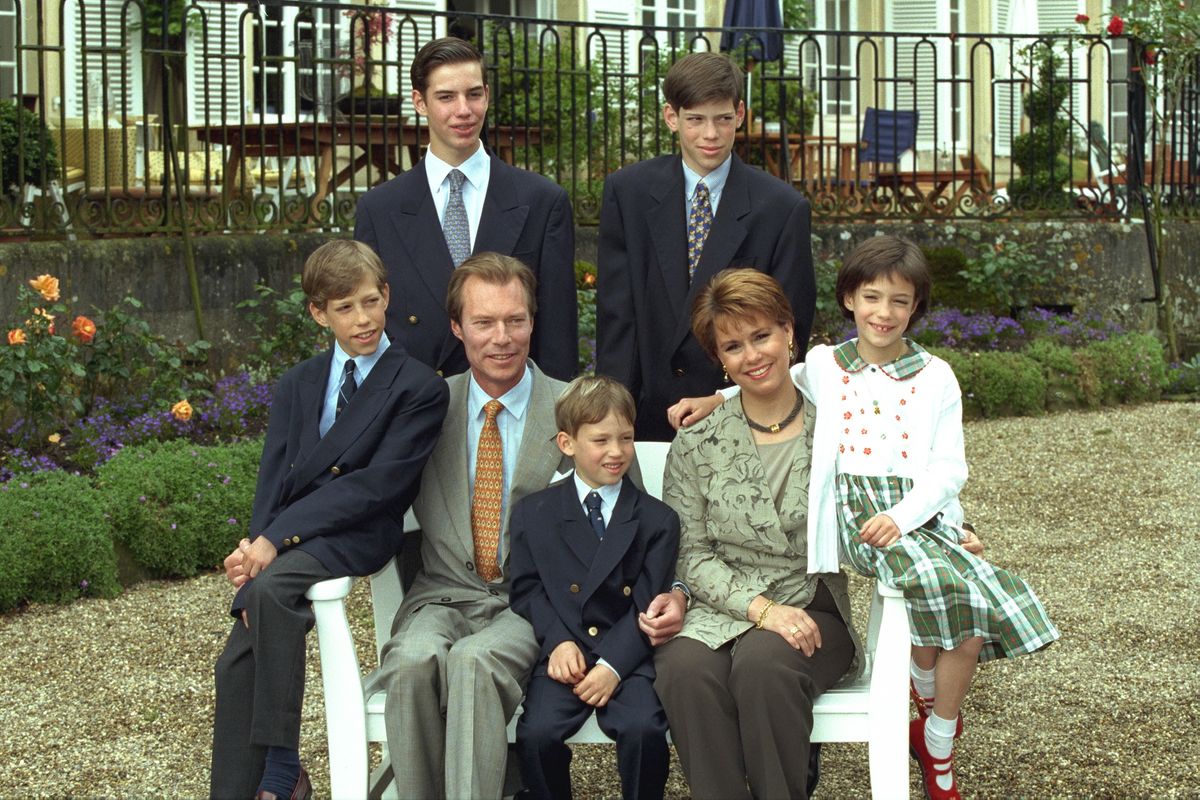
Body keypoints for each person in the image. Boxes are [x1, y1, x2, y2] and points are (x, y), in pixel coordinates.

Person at [675, 237, 1060, 800]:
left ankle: (936, 729)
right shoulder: (826, 369)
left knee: (968, 603)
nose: (884, 313)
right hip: (812, 545)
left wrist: (944, 526)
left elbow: (943, 466)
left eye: (899, 302)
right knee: (940, 584)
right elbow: (760, 378)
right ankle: (927, 709)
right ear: (849, 300)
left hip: (889, 528)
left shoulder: (918, 379)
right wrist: (715, 401)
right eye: (871, 297)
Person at [378, 254, 686, 799]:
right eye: (484, 322)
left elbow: (628, 524)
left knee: (474, 662)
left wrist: (673, 591)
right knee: (409, 661)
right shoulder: (428, 407)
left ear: (532, 322)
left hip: (534, 603)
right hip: (441, 594)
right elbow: (369, 488)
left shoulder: (578, 408)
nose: (502, 338)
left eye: (515, 320)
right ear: (457, 327)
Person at [211, 240, 449, 800]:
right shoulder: (299, 382)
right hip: (290, 535)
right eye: (344, 308)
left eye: (370, 301)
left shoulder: (417, 385)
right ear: (319, 312)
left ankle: (282, 770)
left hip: (360, 531)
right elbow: (275, 474)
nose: (362, 319)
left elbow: (376, 485)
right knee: (236, 657)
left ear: (387, 295)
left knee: (268, 599)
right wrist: (254, 547)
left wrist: (275, 538)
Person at [653, 268, 860, 800]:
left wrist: (955, 529)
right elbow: (690, 554)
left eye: (762, 335)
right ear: (720, 360)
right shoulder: (698, 444)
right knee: (682, 668)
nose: (752, 355)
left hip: (811, 603)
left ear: (789, 331)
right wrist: (761, 610)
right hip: (719, 605)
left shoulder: (839, 427)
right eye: (733, 346)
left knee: (763, 665)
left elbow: (898, 482)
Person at [596, 51, 815, 441]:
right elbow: (617, 317)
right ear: (671, 117)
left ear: (741, 114)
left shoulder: (781, 209)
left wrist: (725, 397)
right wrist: (613, 413)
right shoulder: (628, 192)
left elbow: (791, 331)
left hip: (741, 415)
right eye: (695, 119)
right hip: (648, 414)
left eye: (723, 119)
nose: (710, 135)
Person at [354, 37, 577, 381]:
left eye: (474, 94)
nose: (464, 110)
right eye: (446, 97)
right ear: (420, 102)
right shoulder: (379, 209)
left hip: (509, 409)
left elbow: (558, 334)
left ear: (487, 95)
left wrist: (553, 420)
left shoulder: (543, 202)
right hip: (415, 410)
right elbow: (366, 327)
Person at [509, 375, 679, 800]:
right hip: (565, 651)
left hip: (628, 653)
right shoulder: (535, 512)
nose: (617, 451)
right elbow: (528, 590)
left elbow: (647, 601)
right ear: (566, 444)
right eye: (601, 440)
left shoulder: (657, 520)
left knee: (643, 729)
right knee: (537, 733)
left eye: (626, 437)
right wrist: (558, 643)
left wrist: (612, 666)